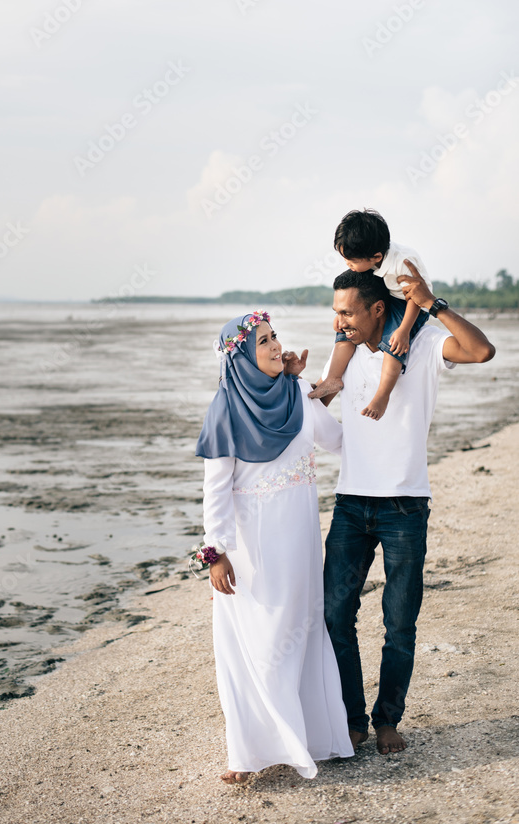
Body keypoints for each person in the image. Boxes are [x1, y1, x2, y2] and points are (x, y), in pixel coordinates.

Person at [304, 263, 495, 755]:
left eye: (346, 313)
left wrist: (434, 303)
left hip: (406, 506)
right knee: (334, 614)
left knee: (400, 621)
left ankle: (387, 719)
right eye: (335, 312)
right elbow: (321, 415)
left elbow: (481, 350)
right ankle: (351, 719)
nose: (338, 322)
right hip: (350, 503)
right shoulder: (343, 357)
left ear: (377, 308)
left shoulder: (424, 345)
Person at [196, 310, 354, 784]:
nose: (273, 346)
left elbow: (338, 441)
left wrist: (334, 387)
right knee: (257, 640)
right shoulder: (224, 409)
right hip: (251, 546)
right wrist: (214, 551)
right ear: (240, 354)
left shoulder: (298, 395)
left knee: (301, 632)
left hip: (300, 539)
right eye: (262, 341)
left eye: (273, 337)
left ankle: (307, 739)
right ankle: (248, 753)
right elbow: (216, 488)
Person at [310, 209, 433, 420]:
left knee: (393, 344)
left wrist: (403, 330)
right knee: (344, 331)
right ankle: (333, 378)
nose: (348, 266)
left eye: (351, 262)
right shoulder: (371, 255)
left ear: (375, 257)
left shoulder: (402, 263)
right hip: (390, 295)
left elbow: (415, 298)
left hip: (411, 303)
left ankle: (382, 395)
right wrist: (342, 315)